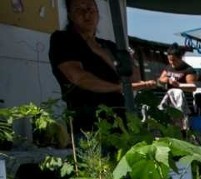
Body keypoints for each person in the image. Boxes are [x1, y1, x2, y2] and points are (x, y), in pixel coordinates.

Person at [49, 0, 157, 136]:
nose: (86, 14)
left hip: (119, 116)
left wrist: (102, 53)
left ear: (98, 14)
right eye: (79, 9)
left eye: (90, 9)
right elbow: (78, 77)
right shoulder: (63, 40)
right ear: (70, 15)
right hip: (86, 118)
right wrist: (118, 87)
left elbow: (133, 77)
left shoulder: (109, 46)